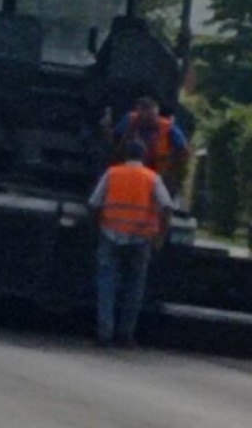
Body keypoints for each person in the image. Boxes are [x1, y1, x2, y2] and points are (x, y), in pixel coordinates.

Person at [89, 139, 173, 349]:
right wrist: (160, 235)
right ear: (144, 157)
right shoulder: (152, 178)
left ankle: (104, 334)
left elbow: (94, 203)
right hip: (141, 238)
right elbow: (166, 206)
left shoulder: (112, 173)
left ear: (124, 155)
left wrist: (98, 226)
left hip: (110, 234)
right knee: (135, 286)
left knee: (107, 284)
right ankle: (126, 335)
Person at [109, 97, 189, 176]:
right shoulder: (130, 120)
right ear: (138, 113)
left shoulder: (167, 127)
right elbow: (115, 138)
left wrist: (172, 169)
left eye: (153, 116)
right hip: (129, 168)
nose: (149, 119)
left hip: (157, 171)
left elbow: (183, 149)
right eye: (144, 116)